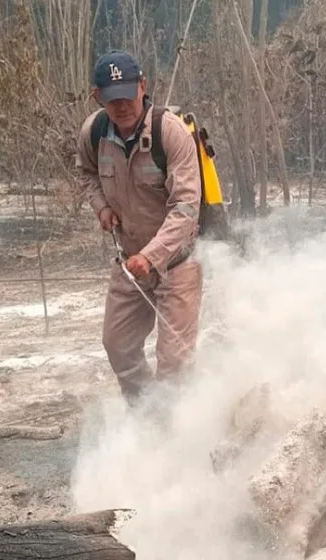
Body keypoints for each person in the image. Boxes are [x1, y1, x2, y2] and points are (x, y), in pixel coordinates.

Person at [75, 50, 203, 405]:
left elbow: (186, 207)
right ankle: (147, 416)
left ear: (143, 87)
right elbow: (85, 174)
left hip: (177, 263)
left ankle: (178, 431)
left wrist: (152, 255)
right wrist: (101, 207)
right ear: (98, 96)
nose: (122, 107)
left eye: (128, 95)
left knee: (175, 363)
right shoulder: (94, 133)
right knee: (118, 346)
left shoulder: (170, 134)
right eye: (112, 99)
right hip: (129, 262)